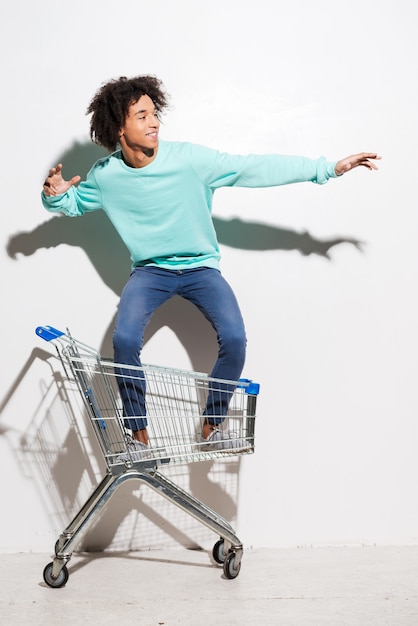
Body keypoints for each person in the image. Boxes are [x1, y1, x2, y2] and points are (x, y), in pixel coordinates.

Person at [42, 74, 380, 458]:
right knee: (124, 341)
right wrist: (52, 196)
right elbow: (70, 204)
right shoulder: (106, 176)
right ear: (119, 127)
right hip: (151, 273)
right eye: (141, 116)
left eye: (155, 114)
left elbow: (251, 168)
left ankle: (212, 427)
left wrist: (328, 168)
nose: (154, 123)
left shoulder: (189, 159)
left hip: (202, 270)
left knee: (235, 339)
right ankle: (137, 437)